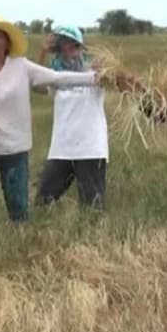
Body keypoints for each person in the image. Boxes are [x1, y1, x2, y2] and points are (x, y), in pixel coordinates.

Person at [0, 14, 100, 223]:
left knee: (18, 205)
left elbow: (58, 77)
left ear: (7, 42)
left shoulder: (21, 66)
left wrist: (94, 77)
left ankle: (20, 241)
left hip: (13, 146)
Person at [33, 24, 110, 211]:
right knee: (42, 202)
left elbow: (118, 80)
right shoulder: (55, 76)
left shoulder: (95, 73)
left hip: (91, 148)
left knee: (92, 208)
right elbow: (36, 85)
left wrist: (107, 67)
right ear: (59, 48)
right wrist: (42, 52)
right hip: (62, 147)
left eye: (75, 44)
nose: (71, 48)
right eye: (66, 44)